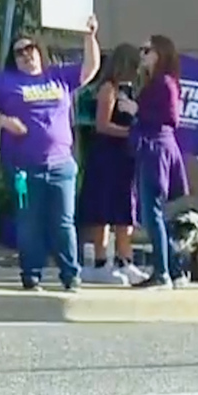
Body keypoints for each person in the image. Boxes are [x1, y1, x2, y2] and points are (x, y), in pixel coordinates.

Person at [0, 16, 100, 292]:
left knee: (64, 222)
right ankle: (31, 274)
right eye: (19, 52)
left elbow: (90, 69)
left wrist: (90, 37)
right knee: (29, 221)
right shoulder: (4, 82)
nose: (26, 55)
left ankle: (71, 275)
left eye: (30, 48)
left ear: (39, 50)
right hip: (22, 166)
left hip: (61, 165)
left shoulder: (58, 75)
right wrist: (6, 122)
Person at [76, 43, 148, 286]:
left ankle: (124, 260)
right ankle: (99, 261)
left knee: (125, 208)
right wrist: (131, 132)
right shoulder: (109, 89)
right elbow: (102, 125)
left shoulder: (132, 91)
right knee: (103, 207)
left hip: (127, 157)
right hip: (107, 155)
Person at [123, 34, 188, 289]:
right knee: (153, 213)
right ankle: (174, 269)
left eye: (147, 50)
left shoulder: (165, 83)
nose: (142, 55)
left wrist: (136, 109)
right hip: (151, 145)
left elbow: (171, 117)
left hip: (156, 148)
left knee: (153, 213)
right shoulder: (154, 83)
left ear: (160, 53)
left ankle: (162, 273)